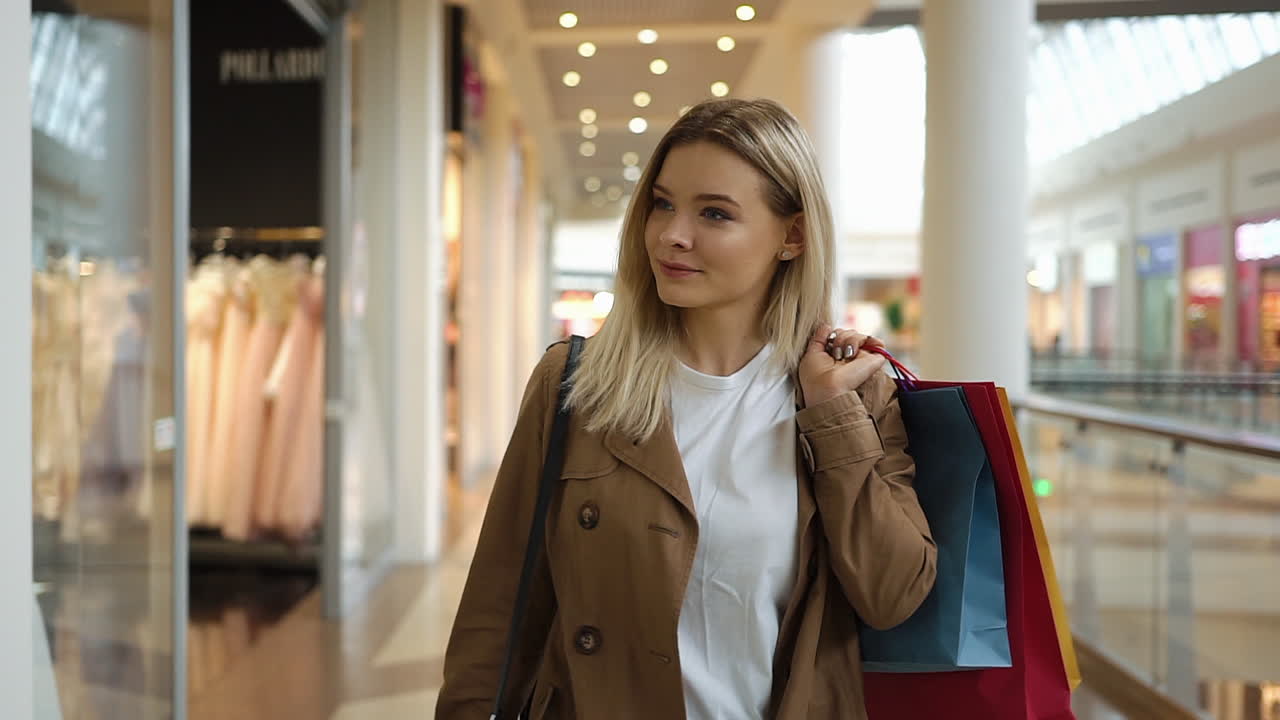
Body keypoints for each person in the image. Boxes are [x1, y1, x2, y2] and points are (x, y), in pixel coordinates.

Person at [436, 98, 937, 720]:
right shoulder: (576, 384)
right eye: (663, 203)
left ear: (793, 236)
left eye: (715, 214)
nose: (673, 233)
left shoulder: (850, 394)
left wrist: (831, 417)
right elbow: (500, 600)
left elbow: (893, 594)